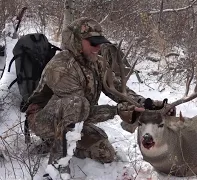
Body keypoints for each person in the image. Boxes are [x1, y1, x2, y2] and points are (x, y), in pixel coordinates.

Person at [25, 17, 168, 176]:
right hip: (43, 119)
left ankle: (55, 141)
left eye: (100, 42)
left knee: (105, 153)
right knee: (76, 104)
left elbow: (117, 89)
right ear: (77, 42)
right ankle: (56, 169)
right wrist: (116, 111)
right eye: (93, 43)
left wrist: (146, 104)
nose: (98, 47)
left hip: (73, 119)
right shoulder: (61, 67)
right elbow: (81, 110)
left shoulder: (97, 62)